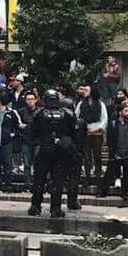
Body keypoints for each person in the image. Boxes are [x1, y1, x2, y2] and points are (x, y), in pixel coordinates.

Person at [29, 89, 79, 218]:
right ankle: (55, 208)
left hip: (45, 148)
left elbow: (33, 132)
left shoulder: (39, 113)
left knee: (39, 179)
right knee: (58, 180)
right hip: (60, 151)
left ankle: (35, 206)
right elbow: (73, 133)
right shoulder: (67, 114)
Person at [97, 102, 128, 202]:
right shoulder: (113, 124)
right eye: (126, 111)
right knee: (109, 173)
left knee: (127, 175)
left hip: (127, 154)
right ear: (120, 112)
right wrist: (112, 151)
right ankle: (103, 191)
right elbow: (110, 140)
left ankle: (124, 193)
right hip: (116, 153)